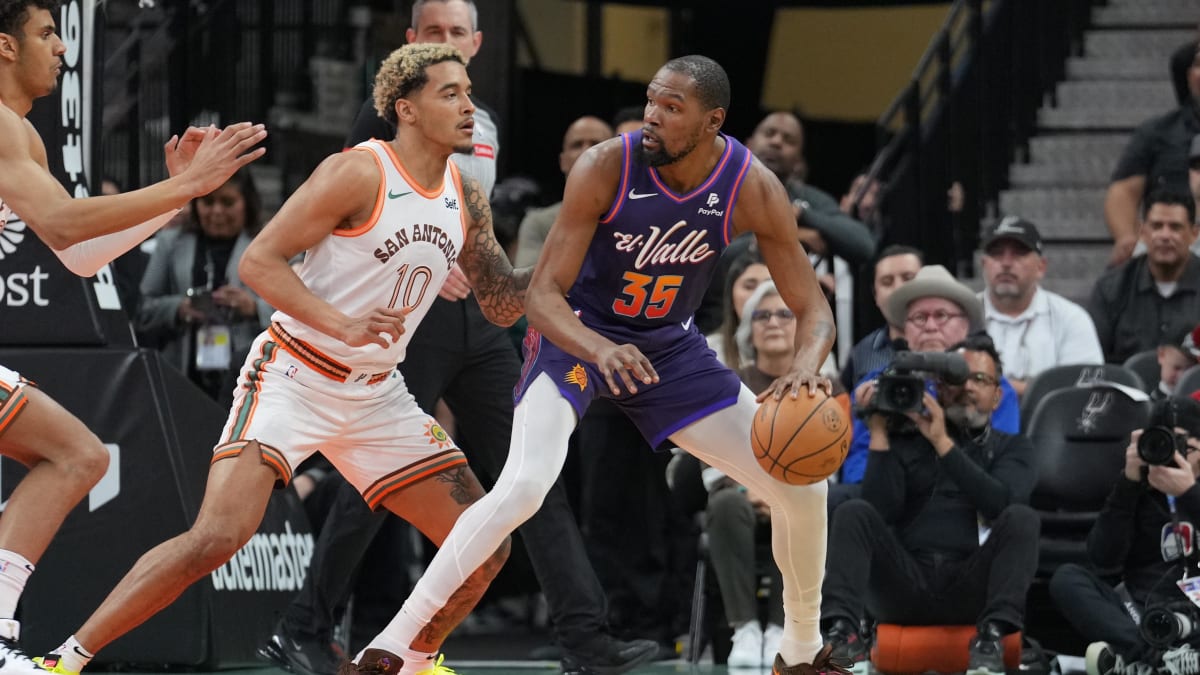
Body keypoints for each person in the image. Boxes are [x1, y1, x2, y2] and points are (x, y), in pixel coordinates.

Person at [34, 43, 525, 675]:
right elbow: (258, 262)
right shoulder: (357, 173)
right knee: (217, 538)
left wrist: (582, 261)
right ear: (406, 108)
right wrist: (342, 323)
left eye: (469, 91)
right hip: (293, 374)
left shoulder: (467, 195)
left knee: (486, 548)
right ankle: (66, 660)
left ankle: (412, 659)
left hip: (378, 395)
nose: (468, 105)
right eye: (450, 92)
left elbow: (504, 302)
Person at [373, 54, 847, 675]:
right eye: (650, 101)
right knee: (523, 485)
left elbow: (813, 308)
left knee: (803, 484)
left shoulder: (750, 185)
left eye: (671, 108)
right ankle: (395, 648)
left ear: (712, 122)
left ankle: (802, 651)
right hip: (579, 334)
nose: (651, 117)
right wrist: (599, 350)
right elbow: (541, 296)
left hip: (668, 349)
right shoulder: (607, 166)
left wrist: (807, 366)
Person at [260, 2, 659, 674]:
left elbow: (477, 239)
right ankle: (306, 623)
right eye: (433, 33)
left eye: (457, 34)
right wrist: (424, 261)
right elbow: (354, 215)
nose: (447, 43)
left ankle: (584, 638)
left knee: (533, 468)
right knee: (376, 482)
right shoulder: (388, 113)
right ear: (412, 43)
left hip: (481, 320)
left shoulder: (484, 123)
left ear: (477, 41)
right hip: (409, 319)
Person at [0, 3, 264, 674]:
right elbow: (63, 223)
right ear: (5, 46)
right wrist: (188, 183)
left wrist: (178, 197)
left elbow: (81, 255)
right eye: (46, 33)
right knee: (71, 455)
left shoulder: (23, 136)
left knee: (75, 456)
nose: (61, 48)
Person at [823, 335, 1039, 675]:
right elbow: (880, 512)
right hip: (904, 584)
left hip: (971, 591)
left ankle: (991, 639)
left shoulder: (1013, 448)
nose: (967, 387)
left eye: (979, 379)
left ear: (997, 396)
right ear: (939, 386)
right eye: (958, 378)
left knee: (1022, 517)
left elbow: (1000, 505)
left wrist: (941, 442)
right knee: (853, 511)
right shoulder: (907, 439)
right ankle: (841, 636)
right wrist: (879, 432)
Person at [1049, 397, 1200, 675]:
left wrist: (1189, 493)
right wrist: (1128, 484)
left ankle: (1136, 663)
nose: (1172, 456)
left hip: (1194, 612)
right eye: (1162, 445)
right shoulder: (1136, 487)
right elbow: (1102, 559)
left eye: (1184, 448)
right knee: (1067, 578)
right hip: (1136, 611)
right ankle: (1158, 659)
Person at [842, 265, 1020, 485]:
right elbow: (858, 462)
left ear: (965, 325)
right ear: (905, 330)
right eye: (919, 318)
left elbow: (1000, 461)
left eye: (942, 316)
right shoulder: (877, 384)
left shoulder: (990, 387)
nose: (930, 326)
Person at [709, 280, 795, 667]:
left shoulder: (826, 386)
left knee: (801, 510)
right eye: (762, 315)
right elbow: (710, 454)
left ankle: (783, 628)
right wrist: (751, 489)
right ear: (749, 329)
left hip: (799, 500)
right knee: (726, 502)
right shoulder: (728, 385)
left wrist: (780, 494)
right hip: (741, 496)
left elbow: (835, 466)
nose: (773, 322)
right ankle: (743, 628)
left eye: (784, 314)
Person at [135, 169, 273, 405]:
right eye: (208, 202)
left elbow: (295, 315)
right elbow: (142, 309)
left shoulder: (269, 243)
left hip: (252, 380)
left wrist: (252, 308)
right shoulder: (170, 243)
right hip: (181, 378)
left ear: (247, 204)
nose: (217, 211)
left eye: (228, 202)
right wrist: (180, 308)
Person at [978, 217, 1104, 397]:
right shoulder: (962, 315)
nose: (1006, 263)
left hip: (1052, 424)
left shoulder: (1071, 319)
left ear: (1041, 267)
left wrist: (995, 389)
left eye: (1018, 254)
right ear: (983, 264)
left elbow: (1082, 393)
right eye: (997, 253)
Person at [1104, 45, 1200, 267]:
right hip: (1168, 240)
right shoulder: (1157, 132)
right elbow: (1123, 193)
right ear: (1188, 77)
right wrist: (1127, 238)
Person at [1089, 188, 1200, 364]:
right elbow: (1093, 361)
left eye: (1175, 227)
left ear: (1194, 234)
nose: (1165, 235)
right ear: (1142, 231)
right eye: (1156, 226)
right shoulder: (1110, 289)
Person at [514, 115, 612, 267]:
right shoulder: (539, 223)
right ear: (563, 161)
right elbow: (527, 284)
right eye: (577, 145)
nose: (586, 151)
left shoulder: (636, 217)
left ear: (617, 159)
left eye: (596, 144)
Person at [839, 245, 923, 393]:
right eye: (887, 282)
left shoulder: (951, 347)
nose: (898, 288)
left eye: (908, 278)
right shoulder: (861, 353)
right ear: (875, 295)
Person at [707, 250, 770, 367]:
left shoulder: (801, 350)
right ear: (731, 297)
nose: (759, 294)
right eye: (749, 286)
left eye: (768, 287)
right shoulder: (709, 351)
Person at [1152, 327, 1200, 400]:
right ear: (1161, 355)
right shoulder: (1147, 403)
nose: (1182, 376)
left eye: (1190, 370)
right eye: (1177, 368)